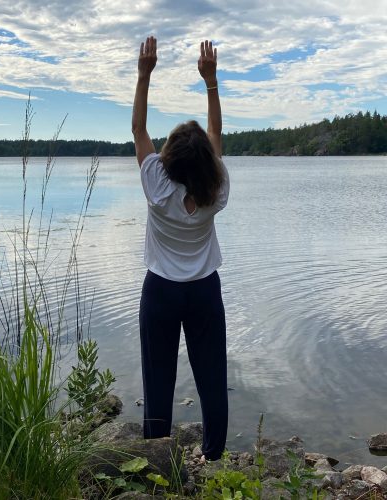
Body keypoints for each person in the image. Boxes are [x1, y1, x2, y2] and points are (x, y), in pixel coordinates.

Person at [132, 36, 229, 461]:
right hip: (204, 291)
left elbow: (138, 130)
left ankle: (157, 458)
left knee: (158, 377)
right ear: (206, 161)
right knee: (211, 375)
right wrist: (210, 82)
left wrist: (144, 74)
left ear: (168, 156)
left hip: (161, 292)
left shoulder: (155, 183)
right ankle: (214, 455)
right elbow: (216, 133)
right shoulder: (216, 189)